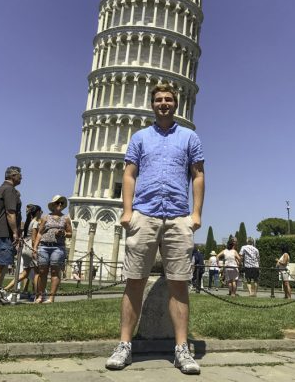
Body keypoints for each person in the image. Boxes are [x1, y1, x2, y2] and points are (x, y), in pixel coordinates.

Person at [105, 83, 205, 375]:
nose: (164, 103)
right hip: (145, 214)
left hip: (177, 217)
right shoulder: (140, 138)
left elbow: (198, 175)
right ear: (153, 104)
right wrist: (127, 212)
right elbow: (129, 174)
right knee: (134, 281)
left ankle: (182, 349)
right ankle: (124, 346)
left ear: (176, 104)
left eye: (168, 99)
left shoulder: (189, 137)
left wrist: (196, 214)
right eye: (159, 99)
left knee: (179, 283)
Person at [0, 167, 22, 305]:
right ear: (13, 176)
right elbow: (10, 213)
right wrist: (15, 232)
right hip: (3, 233)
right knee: (0, 266)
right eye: (20, 175)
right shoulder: (10, 190)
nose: (22, 178)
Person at [33, 195, 72, 303]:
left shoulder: (66, 218)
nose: (60, 205)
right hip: (44, 246)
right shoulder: (45, 217)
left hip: (58, 247)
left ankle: (51, 297)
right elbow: (40, 233)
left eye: (62, 203)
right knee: (42, 271)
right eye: (58, 203)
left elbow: (70, 233)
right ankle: (40, 296)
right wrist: (35, 248)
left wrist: (63, 233)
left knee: (55, 271)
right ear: (53, 205)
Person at [3, 205, 42, 297]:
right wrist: (35, 250)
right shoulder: (35, 223)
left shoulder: (28, 223)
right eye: (41, 211)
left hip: (25, 248)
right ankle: (37, 296)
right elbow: (33, 238)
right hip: (31, 248)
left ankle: (5, 289)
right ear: (37, 212)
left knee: (24, 274)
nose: (41, 213)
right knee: (37, 273)